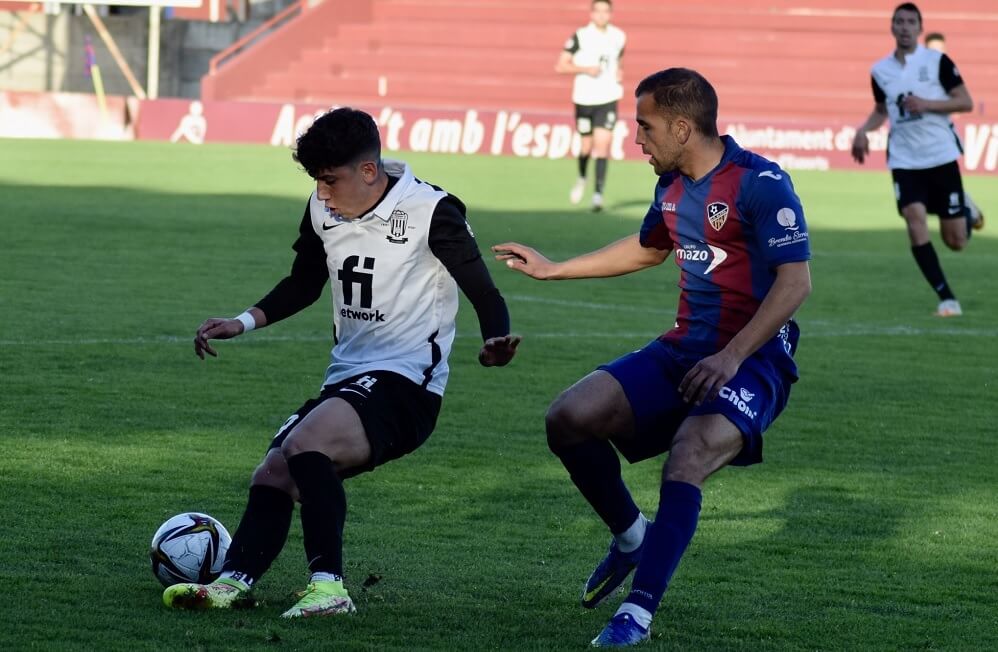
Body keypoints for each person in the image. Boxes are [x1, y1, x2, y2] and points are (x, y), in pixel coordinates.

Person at [494, 68, 812, 647]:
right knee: (568, 417)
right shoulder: (670, 185)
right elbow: (648, 250)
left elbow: (795, 284)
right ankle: (631, 538)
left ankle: (635, 616)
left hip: (756, 358)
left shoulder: (760, 183)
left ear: (683, 127)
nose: (636, 138)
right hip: (682, 348)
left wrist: (733, 356)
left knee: (687, 457)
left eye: (646, 125)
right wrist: (554, 267)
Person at [164, 107, 521, 618]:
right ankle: (230, 583)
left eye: (330, 180)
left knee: (308, 444)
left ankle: (329, 590)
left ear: (369, 171)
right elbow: (304, 283)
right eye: (317, 182)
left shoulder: (430, 209)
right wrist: (240, 321)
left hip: (408, 383)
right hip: (349, 378)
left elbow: (483, 290)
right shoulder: (322, 206)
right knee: (273, 471)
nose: (323, 193)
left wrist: (497, 340)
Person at [851, 3, 982, 318]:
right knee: (914, 218)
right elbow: (882, 109)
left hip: (939, 155)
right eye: (899, 21)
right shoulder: (880, 70)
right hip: (904, 159)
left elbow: (965, 102)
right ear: (892, 27)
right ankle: (947, 299)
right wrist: (863, 130)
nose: (905, 26)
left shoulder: (937, 61)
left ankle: (965, 207)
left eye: (911, 21)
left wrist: (926, 103)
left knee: (956, 241)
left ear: (920, 28)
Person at [555, 0, 626, 212]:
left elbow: (619, 60)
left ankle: (597, 195)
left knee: (602, 145)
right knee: (586, 146)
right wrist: (586, 69)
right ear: (592, 13)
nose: (602, 15)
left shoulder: (618, 36)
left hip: (608, 97)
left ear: (610, 13)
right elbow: (561, 65)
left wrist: (620, 72)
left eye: (606, 11)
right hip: (584, 98)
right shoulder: (581, 36)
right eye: (598, 11)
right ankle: (582, 176)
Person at [924, 30, 987, 230]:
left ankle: (964, 208)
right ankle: (965, 204)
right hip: (922, 137)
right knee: (932, 181)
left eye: (940, 49)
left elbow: (962, 102)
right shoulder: (917, 71)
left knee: (936, 179)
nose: (937, 53)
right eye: (932, 49)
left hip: (941, 137)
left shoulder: (947, 72)